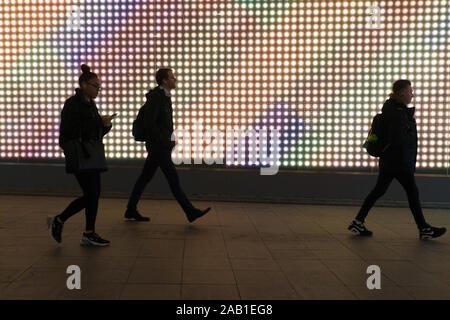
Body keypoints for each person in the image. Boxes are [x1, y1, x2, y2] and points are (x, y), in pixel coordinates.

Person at [348, 80, 446, 240]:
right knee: (412, 192)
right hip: (398, 161)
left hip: (390, 160)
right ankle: (423, 229)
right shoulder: (397, 112)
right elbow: (398, 138)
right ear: (401, 92)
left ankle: (358, 222)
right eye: (410, 91)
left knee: (379, 191)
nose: (412, 94)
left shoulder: (392, 109)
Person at [125, 68, 210, 222]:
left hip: (159, 146)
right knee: (173, 179)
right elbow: (150, 123)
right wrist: (163, 139)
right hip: (159, 147)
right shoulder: (157, 98)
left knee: (145, 178)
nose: (175, 79)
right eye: (172, 77)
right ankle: (190, 211)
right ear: (164, 80)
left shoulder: (163, 97)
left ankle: (130, 209)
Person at [47, 64, 116, 246]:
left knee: (93, 194)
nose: (98, 90)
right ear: (84, 84)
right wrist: (97, 123)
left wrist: (105, 125)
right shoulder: (73, 104)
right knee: (91, 194)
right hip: (80, 155)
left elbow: (93, 134)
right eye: (95, 86)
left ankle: (88, 231)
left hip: (90, 154)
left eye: (99, 86)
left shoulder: (90, 105)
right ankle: (61, 221)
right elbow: (71, 131)